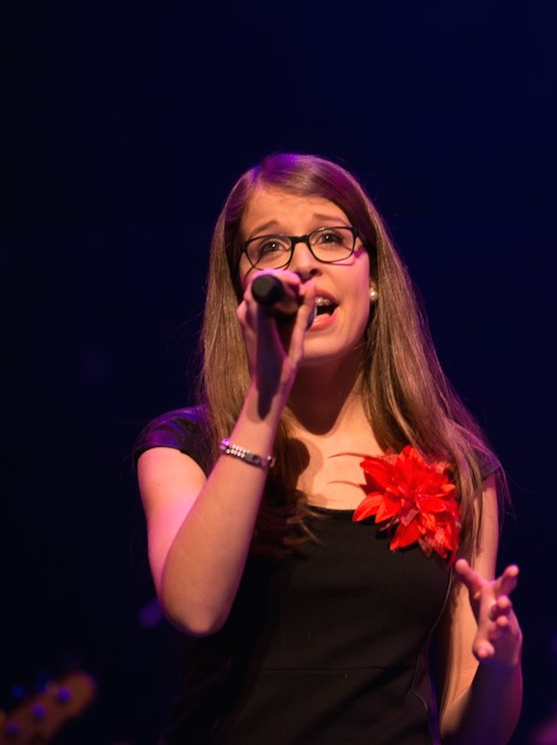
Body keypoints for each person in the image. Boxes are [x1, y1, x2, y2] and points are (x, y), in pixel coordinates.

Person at [133, 153, 522, 743]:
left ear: (373, 278)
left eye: (330, 238)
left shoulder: (459, 469)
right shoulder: (185, 449)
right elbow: (195, 608)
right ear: (241, 290)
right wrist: (266, 394)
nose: (303, 264)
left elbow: (474, 734)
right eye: (270, 247)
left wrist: (500, 666)